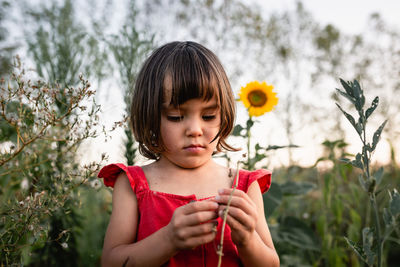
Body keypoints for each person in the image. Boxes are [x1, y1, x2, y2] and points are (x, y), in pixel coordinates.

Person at [98, 41, 279, 267]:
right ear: (151, 117)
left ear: (224, 117)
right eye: (175, 116)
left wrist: (248, 240)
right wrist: (168, 239)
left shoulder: (243, 185)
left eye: (209, 116)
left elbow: (271, 264)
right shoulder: (133, 184)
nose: (194, 129)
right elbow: (110, 262)